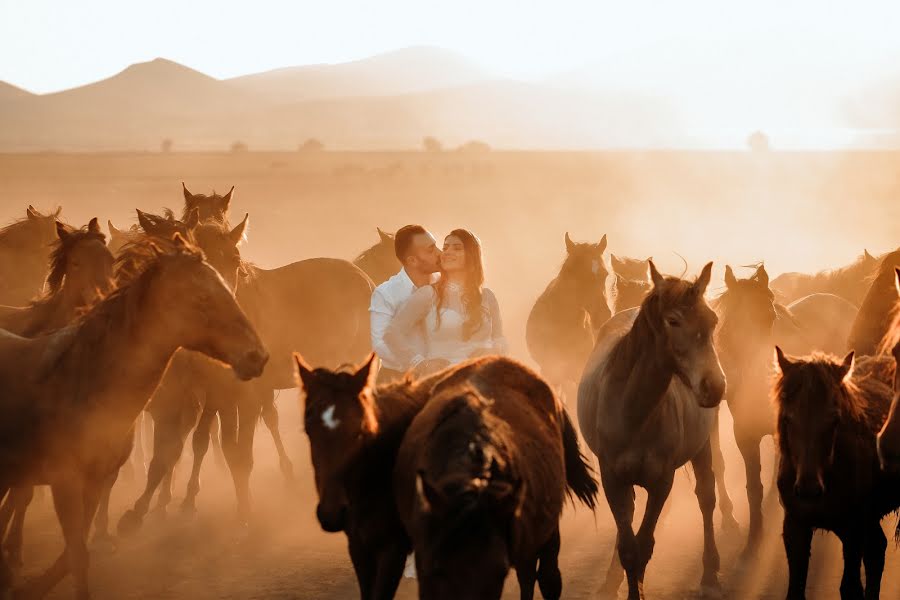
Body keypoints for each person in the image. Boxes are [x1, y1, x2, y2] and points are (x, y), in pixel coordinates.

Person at [384, 228, 507, 376]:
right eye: (445, 247)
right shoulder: (428, 294)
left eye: (457, 248)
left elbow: (500, 339)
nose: (447, 252)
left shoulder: (488, 297)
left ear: (472, 255)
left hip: (484, 376)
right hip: (443, 378)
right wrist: (420, 363)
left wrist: (494, 350)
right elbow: (392, 333)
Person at [369, 224, 441, 383]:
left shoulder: (446, 285)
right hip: (396, 380)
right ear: (412, 261)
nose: (440, 253)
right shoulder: (385, 293)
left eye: (436, 246)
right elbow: (380, 344)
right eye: (431, 250)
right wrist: (419, 363)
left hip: (439, 376)